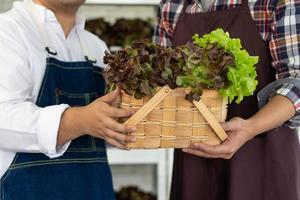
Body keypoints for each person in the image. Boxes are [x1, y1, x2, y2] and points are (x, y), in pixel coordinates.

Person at [154, 0, 300, 199]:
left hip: (262, 157)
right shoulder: (172, 5)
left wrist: (250, 127)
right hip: (194, 159)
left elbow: (296, 82)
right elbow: (160, 80)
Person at [0, 0, 137, 199]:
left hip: (94, 190)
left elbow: (107, 135)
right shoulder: (8, 31)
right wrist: (79, 121)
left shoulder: (96, 47)